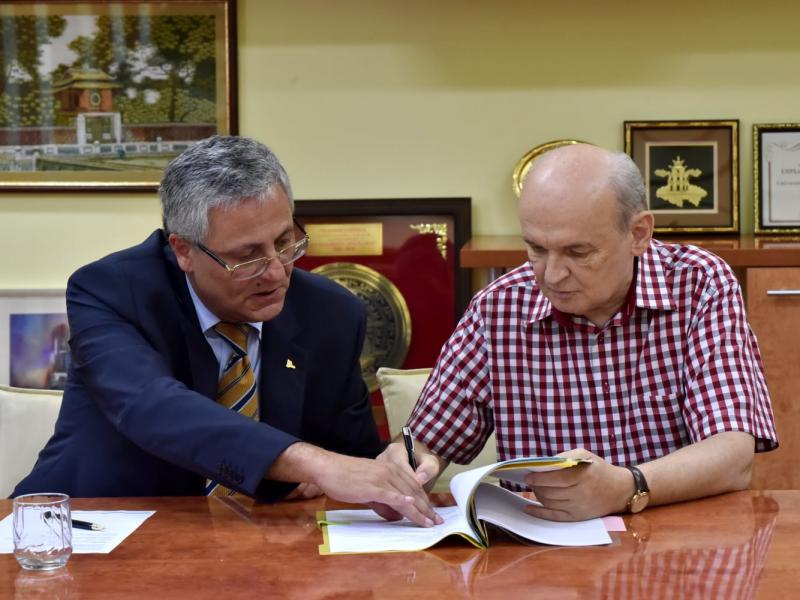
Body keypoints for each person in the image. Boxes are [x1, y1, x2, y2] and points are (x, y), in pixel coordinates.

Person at [13, 136, 440, 527]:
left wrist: (394, 465)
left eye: (285, 242)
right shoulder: (110, 292)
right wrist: (313, 463)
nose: (277, 272)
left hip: (257, 544)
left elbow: (349, 456)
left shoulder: (331, 312)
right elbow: (153, 406)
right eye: (247, 256)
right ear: (183, 250)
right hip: (88, 530)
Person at [375, 143, 777, 522]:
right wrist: (402, 467)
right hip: (544, 548)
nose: (551, 275)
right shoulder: (499, 307)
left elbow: (733, 455)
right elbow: (426, 441)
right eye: (536, 249)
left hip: (678, 541)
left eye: (577, 252)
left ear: (638, 234)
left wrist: (628, 486)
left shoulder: (699, 284)